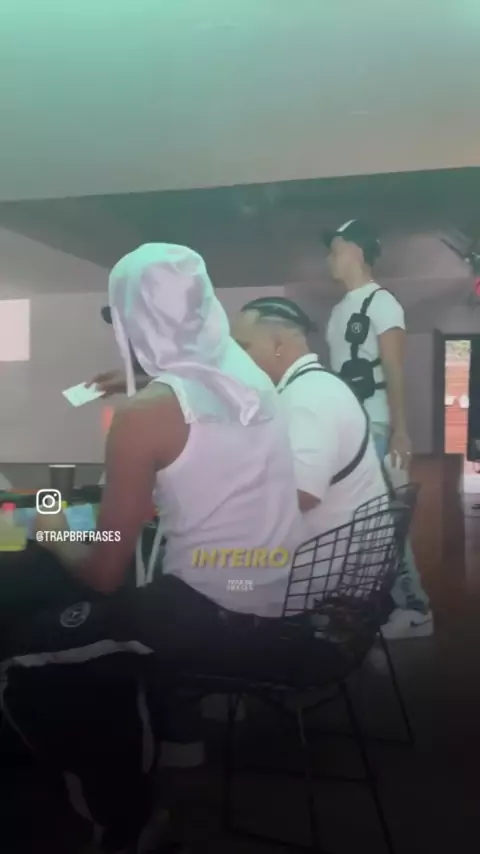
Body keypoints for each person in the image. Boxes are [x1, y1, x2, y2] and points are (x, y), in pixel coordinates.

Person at [1, 244, 304, 854]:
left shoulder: (147, 414)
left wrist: (51, 526)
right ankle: (164, 746)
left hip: (205, 613)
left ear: (133, 321)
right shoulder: (251, 380)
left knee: (26, 653)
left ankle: (125, 817)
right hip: (268, 591)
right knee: (88, 621)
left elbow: (106, 572)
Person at [324, 219, 432, 638]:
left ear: (357, 251)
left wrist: (401, 430)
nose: (329, 258)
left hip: (378, 427)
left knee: (386, 519)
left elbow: (394, 369)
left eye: (335, 248)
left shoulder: (382, 303)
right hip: (347, 430)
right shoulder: (338, 312)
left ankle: (416, 609)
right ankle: (373, 605)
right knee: (357, 522)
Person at [231, 297, 386, 544]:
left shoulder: (307, 395)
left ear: (278, 344)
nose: (234, 360)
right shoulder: (313, 385)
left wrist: (226, 501)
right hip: (339, 552)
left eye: (242, 348)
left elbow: (303, 493)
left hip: (323, 560)